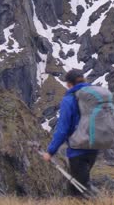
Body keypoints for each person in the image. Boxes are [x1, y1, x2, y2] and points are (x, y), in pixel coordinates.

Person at [42, 69, 98, 197]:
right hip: (94, 147)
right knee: (79, 185)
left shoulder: (69, 100)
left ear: (68, 84)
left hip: (78, 150)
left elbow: (62, 129)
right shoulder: (94, 95)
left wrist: (50, 151)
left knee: (79, 191)